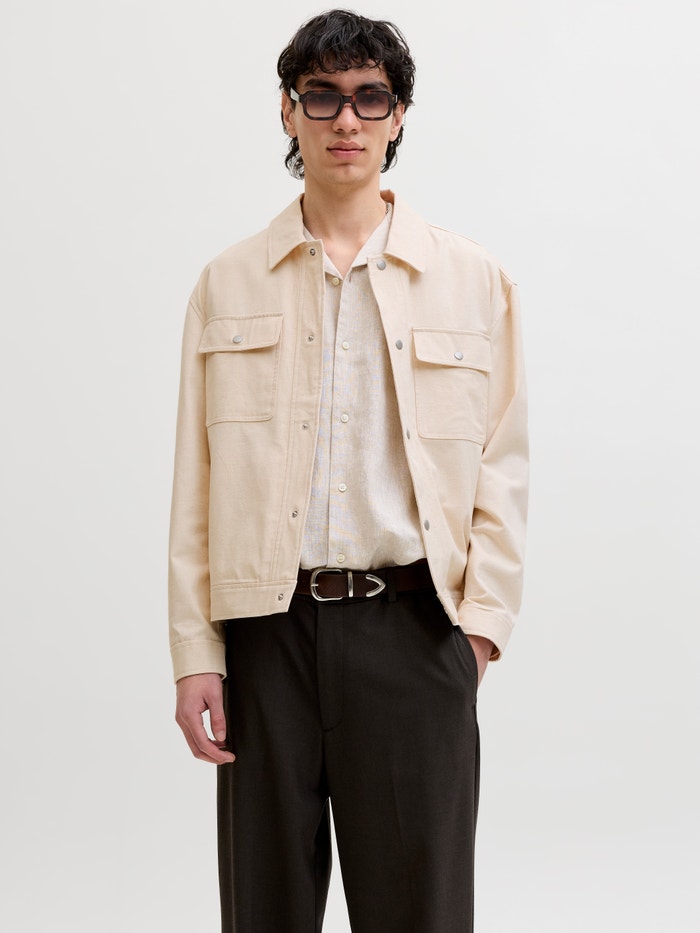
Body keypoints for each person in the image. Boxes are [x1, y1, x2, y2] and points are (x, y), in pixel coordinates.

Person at [169, 9, 528, 932]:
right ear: (287, 111)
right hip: (267, 637)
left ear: (399, 115)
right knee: (265, 912)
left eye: (371, 97)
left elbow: (503, 467)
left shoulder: (471, 280)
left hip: (414, 632)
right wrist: (196, 653)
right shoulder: (228, 282)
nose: (346, 120)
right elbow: (195, 484)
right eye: (322, 96)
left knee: (420, 914)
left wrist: (477, 633)